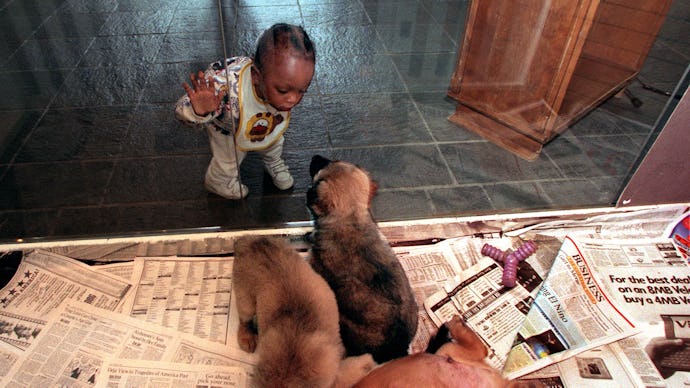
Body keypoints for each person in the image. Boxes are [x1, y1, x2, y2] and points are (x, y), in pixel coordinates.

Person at [175, 23, 315, 199]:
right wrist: (199, 110)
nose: (293, 99)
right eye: (283, 90)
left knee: (273, 138)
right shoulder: (223, 87)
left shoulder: (281, 81)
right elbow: (180, 112)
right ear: (256, 76)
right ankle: (218, 181)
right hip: (228, 126)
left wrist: (283, 93)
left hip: (265, 120)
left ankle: (272, 160)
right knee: (229, 158)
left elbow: (287, 93)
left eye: (302, 90)